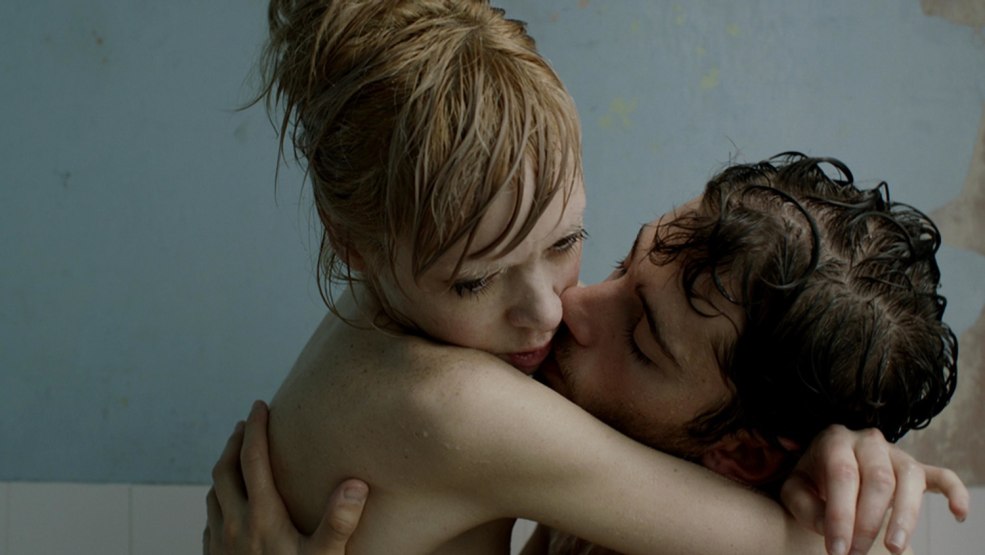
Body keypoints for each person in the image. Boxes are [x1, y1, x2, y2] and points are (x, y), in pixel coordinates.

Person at [209, 0, 967, 553]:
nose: (561, 309)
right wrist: (845, 478)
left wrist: (841, 462)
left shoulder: (414, 290)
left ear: (744, 455)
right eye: (475, 282)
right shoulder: (458, 403)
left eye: (567, 242)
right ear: (353, 245)